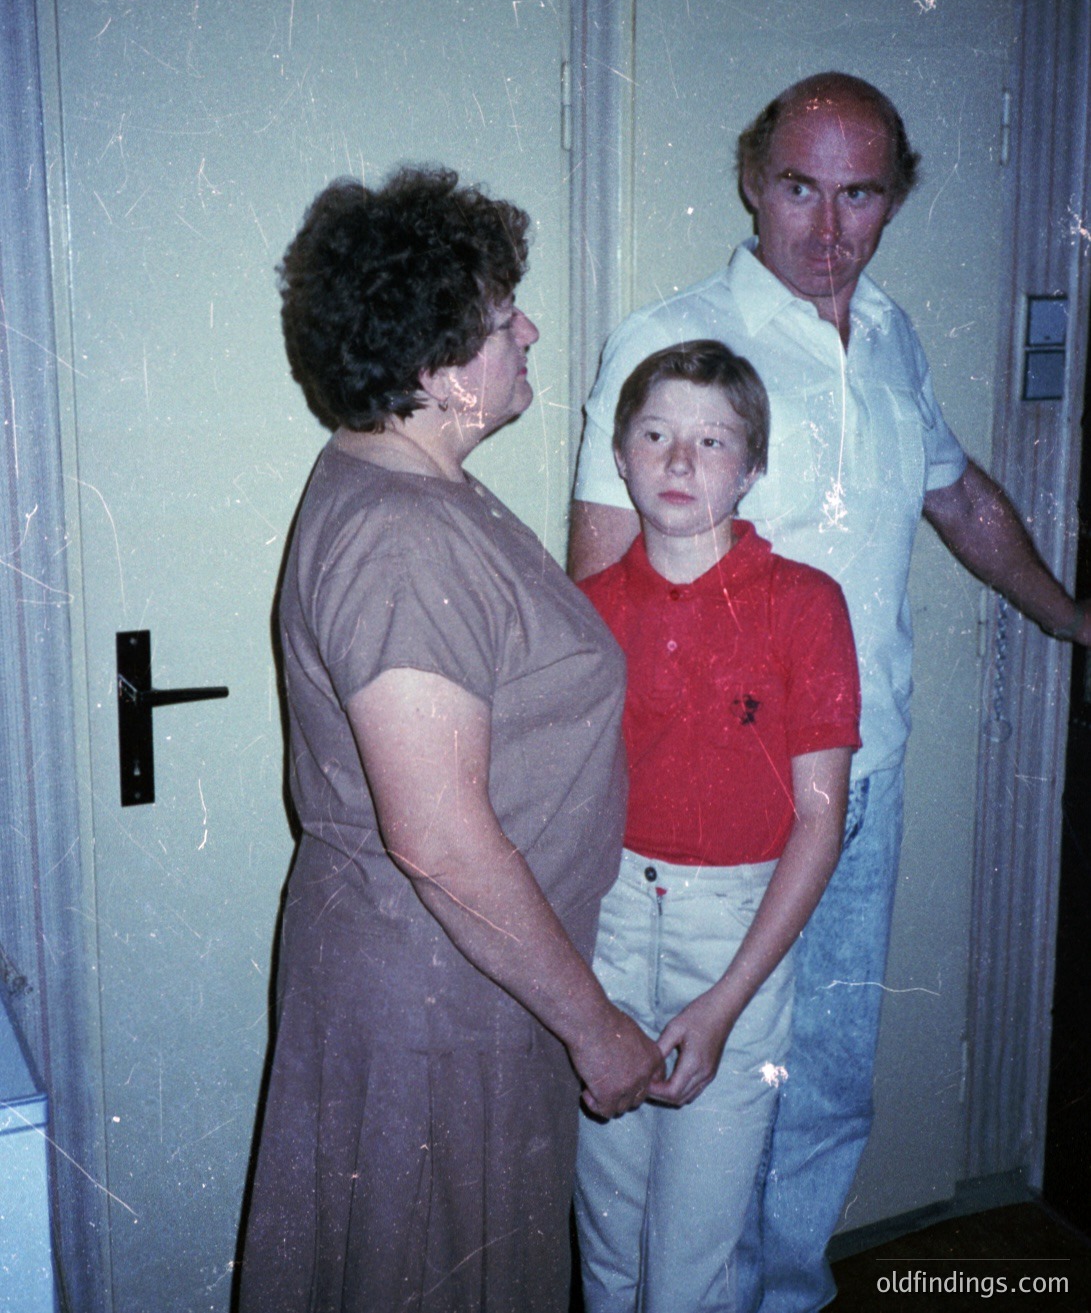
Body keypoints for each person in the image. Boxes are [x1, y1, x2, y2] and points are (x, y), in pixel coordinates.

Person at [568, 73, 1091, 1313]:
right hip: (716, 823)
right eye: (798, 186)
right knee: (701, 1103)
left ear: (890, 199)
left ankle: (784, 1298)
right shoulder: (669, 338)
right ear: (752, 178)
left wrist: (1071, 617)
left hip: (856, 786)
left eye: (858, 194)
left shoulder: (895, 338)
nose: (824, 225)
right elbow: (594, 592)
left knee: (823, 1085)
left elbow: (957, 500)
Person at [237, 167, 663, 1313]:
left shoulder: (419, 490)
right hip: (438, 995)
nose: (527, 328)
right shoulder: (404, 539)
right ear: (432, 369)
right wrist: (595, 1027)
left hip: (449, 975)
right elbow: (436, 837)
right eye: (498, 314)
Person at [573, 341, 861, 1313]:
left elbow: (818, 822)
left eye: (711, 439)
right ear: (618, 454)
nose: (680, 461)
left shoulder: (804, 605)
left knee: (692, 1259)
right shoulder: (582, 612)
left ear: (751, 466)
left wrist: (727, 998)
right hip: (604, 921)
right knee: (606, 1242)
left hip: (734, 935)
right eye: (655, 434)